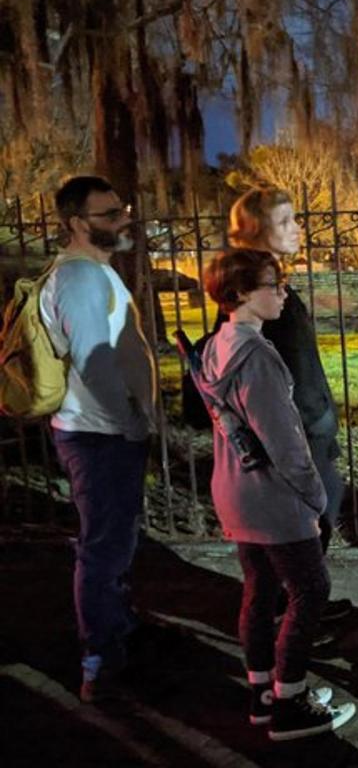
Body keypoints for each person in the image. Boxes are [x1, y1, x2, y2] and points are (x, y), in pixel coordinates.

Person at [199, 248, 356, 741]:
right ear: (241, 293)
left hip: (235, 491)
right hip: (272, 496)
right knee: (311, 590)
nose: (284, 293)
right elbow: (285, 442)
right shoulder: (258, 357)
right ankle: (291, 701)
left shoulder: (215, 347)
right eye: (274, 284)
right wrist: (313, 499)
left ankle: (263, 693)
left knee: (260, 590)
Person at [41, 176, 156, 702]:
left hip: (104, 432)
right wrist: (129, 421)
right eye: (108, 215)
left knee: (112, 542)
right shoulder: (81, 279)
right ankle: (101, 660)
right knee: (103, 549)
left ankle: (117, 631)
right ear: (76, 223)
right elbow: (94, 361)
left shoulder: (94, 272)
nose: (121, 221)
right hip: (97, 434)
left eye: (121, 210)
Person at [223, 188, 351, 622]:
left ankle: (292, 611)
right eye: (284, 222)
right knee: (306, 527)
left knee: (313, 521)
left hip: (311, 429)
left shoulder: (274, 289)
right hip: (299, 434)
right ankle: (294, 618)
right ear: (256, 232)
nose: (297, 228)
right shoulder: (262, 299)